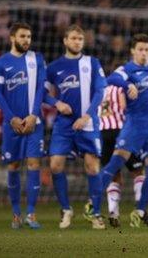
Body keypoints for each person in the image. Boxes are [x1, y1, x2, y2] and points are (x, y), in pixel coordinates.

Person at [100, 33, 148, 228]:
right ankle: (139, 209)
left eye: (146, 50)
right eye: (140, 50)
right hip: (127, 129)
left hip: (108, 131)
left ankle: (118, 210)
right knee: (137, 171)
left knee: (117, 174)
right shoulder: (126, 78)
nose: (144, 54)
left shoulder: (104, 86)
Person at [44, 25, 106, 229]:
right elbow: (42, 93)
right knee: (55, 165)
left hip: (88, 123)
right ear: (65, 41)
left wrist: (87, 116)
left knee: (92, 166)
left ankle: (96, 214)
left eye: (80, 38)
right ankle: (66, 209)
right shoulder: (54, 67)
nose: (77, 41)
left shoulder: (93, 63)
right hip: (64, 124)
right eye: (73, 38)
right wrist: (57, 104)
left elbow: (99, 92)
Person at [0, 22, 45, 229]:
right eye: (22, 36)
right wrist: (11, 117)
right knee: (13, 166)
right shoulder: (0, 63)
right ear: (12, 38)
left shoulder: (37, 59)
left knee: (34, 164)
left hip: (34, 123)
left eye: (29, 37)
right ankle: (16, 214)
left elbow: (41, 88)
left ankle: (31, 214)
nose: (26, 40)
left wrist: (33, 115)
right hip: (11, 124)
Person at [87, 84, 145, 228]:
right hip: (121, 132)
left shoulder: (100, 89)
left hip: (104, 133)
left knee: (114, 174)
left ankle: (113, 212)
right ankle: (140, 210)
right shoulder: (121, 88)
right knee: (137, 171)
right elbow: (124, 107)